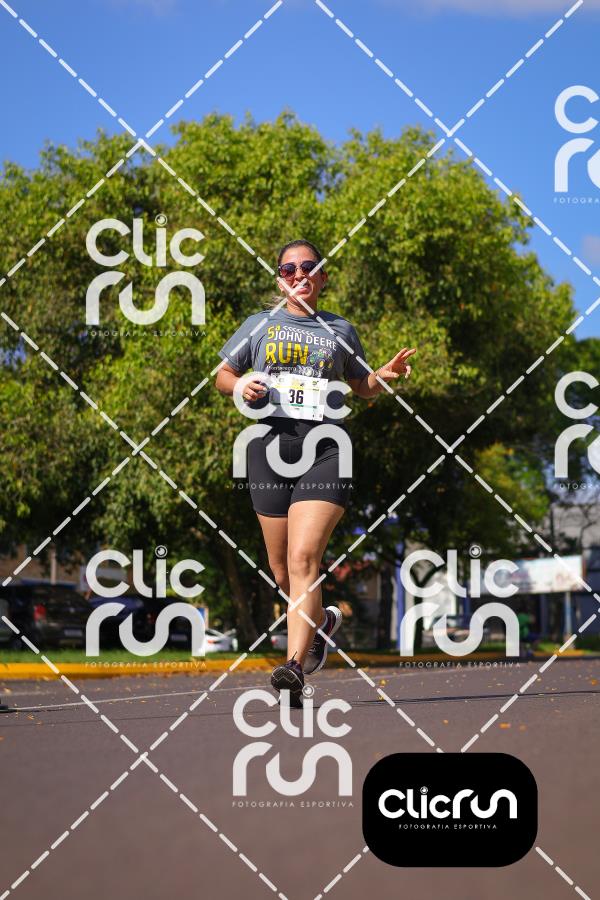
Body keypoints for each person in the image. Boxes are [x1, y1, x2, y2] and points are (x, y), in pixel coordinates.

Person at [216, 239, 415, 705]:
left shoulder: (340, 329)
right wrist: (242, 385)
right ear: (280, 278)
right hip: (268, 448)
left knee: (304, 559)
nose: (299, 274)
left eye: (308, 267)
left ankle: (293, 666)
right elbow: (223, 375)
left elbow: (361, 385)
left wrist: (382, 375)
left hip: (326, 449)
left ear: (322, 276)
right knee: (282, 571)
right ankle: (321, 622)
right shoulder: (259, 325)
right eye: (289, 269)